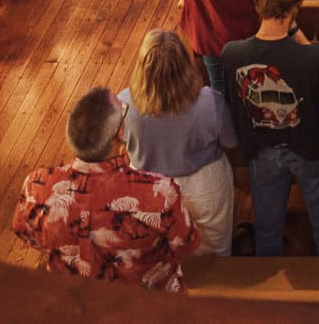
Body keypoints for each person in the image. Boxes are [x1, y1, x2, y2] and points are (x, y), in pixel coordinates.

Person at [14, 85, 198, 287]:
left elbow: (26, 233)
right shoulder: (159, 192)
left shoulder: (35, 185)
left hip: (71, 297)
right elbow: (186, 244)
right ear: (119, 134)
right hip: (146, 299)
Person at [221, 0, 319, 256]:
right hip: (311, 146)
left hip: (262, 147)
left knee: (267, 229)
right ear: (296, 5)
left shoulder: (232, 54)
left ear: (259, 1)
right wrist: (297, 31)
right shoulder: (311, 56)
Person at [122, 29, 237, 257]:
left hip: (149, 186)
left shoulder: (123, 102)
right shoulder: (209, 101)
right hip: (203, 183)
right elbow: (231, 141)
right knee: (215, 248)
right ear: (185, 64)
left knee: (158, 250)